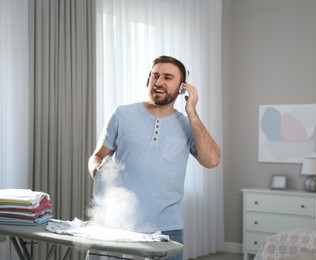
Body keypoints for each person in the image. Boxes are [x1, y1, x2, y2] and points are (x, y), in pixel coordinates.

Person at [87, 55, 221, 260]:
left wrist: (192, 112)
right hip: (117, 223)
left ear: (181, 88)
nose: (159, 82)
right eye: (155, 76)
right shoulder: (122, 115)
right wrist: (98, 170)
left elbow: (211, 160)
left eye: (168, 77)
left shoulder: (188, 126)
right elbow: (97, 156)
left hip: (166, 228)